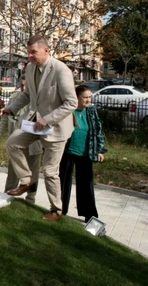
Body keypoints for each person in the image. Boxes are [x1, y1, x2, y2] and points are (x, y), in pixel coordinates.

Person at [2, 36, 78, 221]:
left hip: (57, 128)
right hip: (35, 122)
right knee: (12, 143)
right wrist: (11, 108)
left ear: (46, 50)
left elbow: (72, 103)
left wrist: (49, 119)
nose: (29, 56)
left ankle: (56, 210)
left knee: (50, 171)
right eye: (28, 52)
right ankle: (27, 181)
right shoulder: (29, 68)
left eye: (33, 52)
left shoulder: (61, 70)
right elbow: (27, 95)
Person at [59, 85, 107, 222]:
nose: (88, 100)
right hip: (68, 151)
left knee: (86, 184)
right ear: (76, 98)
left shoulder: (91, 111)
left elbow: (98, 130)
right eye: (85, 97)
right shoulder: (69, 109)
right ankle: (61, 210)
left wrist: (99, 150)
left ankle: (90, 215)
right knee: (63, 181)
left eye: (89, 97)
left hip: (86, 152)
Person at [0, 76, 42, 203]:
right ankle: (8, 195)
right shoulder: (14, 98)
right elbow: (5, 116)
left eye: (26, 86)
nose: (24, 88)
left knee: (33, 172)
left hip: (33, 142)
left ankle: (30, 198)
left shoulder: (38, 100)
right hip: (16, 139)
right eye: (22, 85)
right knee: (13, 169)